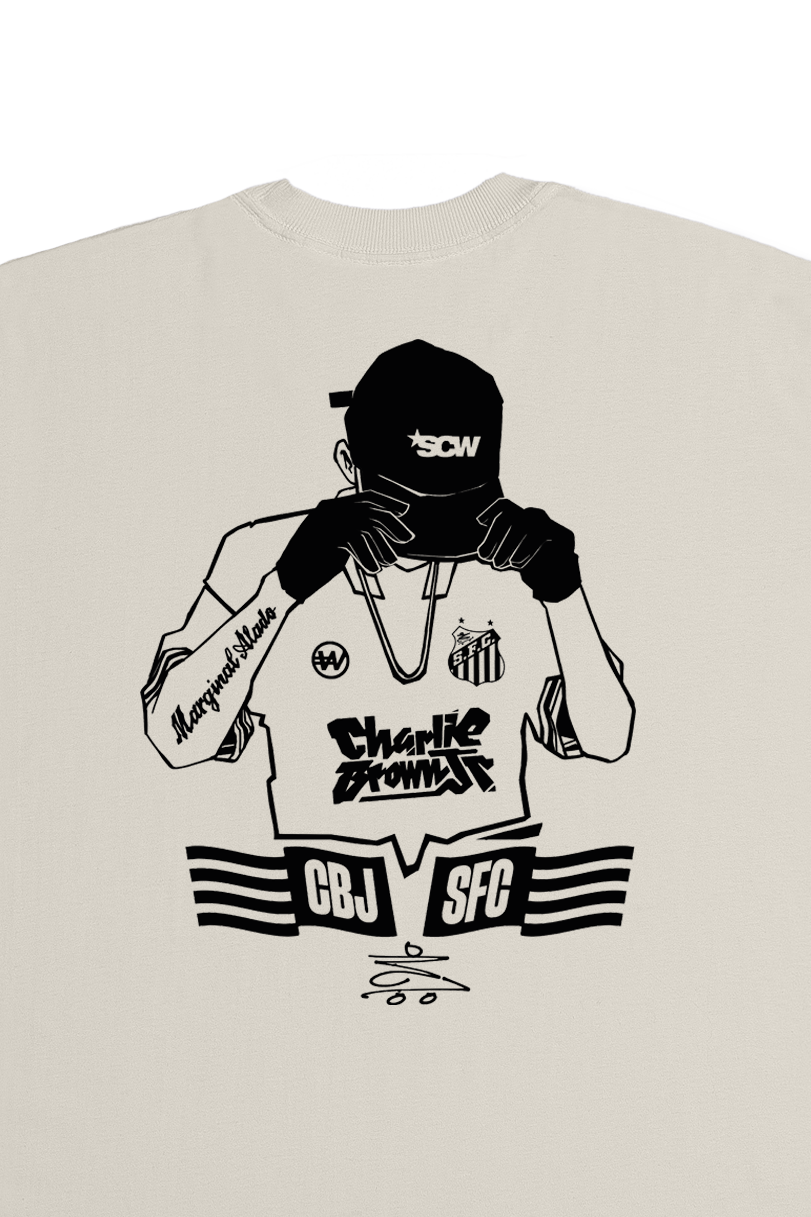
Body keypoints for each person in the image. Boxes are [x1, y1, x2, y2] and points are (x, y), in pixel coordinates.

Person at [141, 340, 634, 875]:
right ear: (347, 464)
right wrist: (279, 592)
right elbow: (176, 737)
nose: (428, 538)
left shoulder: (513, 558)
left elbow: (608, 740)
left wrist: (565, 596)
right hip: (320, 888)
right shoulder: (259, 553)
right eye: (409, 508)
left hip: (484, 885)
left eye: (459, 506)